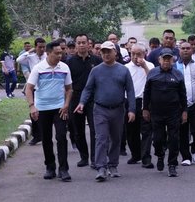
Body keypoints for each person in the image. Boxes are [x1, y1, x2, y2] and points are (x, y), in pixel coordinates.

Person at [75, 41, 136, 182]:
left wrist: (132, 110)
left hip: (118, 110)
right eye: (103, 52)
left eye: (109, 51)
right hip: (100, 109)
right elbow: (88, 88)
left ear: (115, 52)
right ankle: (101, 167)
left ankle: (113, 165)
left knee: (116, 139)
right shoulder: (96, 70)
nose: (106, 54)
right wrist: (82, 102)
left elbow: (130, 91)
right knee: (101, 138)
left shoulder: (123, 70)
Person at [25, 41, 73, 181]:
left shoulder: (64, 68)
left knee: (61, 137)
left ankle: (64, 169)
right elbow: (29, 88)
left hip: (59, 108)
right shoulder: (38, 68)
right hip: (43, 109)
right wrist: (32, 106)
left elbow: (69, 89)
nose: (60, 55)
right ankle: (50, 167)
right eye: (56, 53)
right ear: (48, 53)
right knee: (46, 139)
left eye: (61, 53)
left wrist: (66, 104)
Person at [143, 48, 188, 177]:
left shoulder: (178, 74)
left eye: (169, 59)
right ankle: (160, 155)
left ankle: (172, 164)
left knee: (174, 139)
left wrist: (184, 111)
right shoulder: (152, 73)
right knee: (158, 139)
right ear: (159, 60)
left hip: (174, 112)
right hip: (156, 112)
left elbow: (183, 95)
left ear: (173, 60)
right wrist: (145, 108)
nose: (167, 61)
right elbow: (147, 93)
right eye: (164, 58)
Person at [66, 34, 102, 169]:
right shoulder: (69, 62)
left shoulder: (97, 61)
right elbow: (66, 84)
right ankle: (84, 157)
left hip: (93, 99)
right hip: (75, 99)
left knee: (95, 130)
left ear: (89, 44)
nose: (81, 45)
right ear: (75, 45)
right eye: (79, 43)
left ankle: (94, 158)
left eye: (84, 42)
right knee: (77, 130)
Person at [124, 44, 155, 168]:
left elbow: (152, 79)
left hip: (145, 101)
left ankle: (146, 157)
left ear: (144, 54)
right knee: (131, 131)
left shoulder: (150, 65)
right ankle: (135, 154)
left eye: (139, 54)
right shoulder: (125, 68)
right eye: (133, 54)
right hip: (129, 101)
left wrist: (144, 66)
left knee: (146, 130)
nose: (136, 57)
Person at [17, 37, 47, 146]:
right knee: (33, 112)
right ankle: (36, 136)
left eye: (44, 47)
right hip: (33, 87)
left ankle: (44, 135)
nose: (42, 49)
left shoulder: (47, 57)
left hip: (45, 87)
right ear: (36, 47)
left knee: (44, 112)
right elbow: (19, 60)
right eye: (40, 47)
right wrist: (29, 51)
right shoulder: (31, 57)